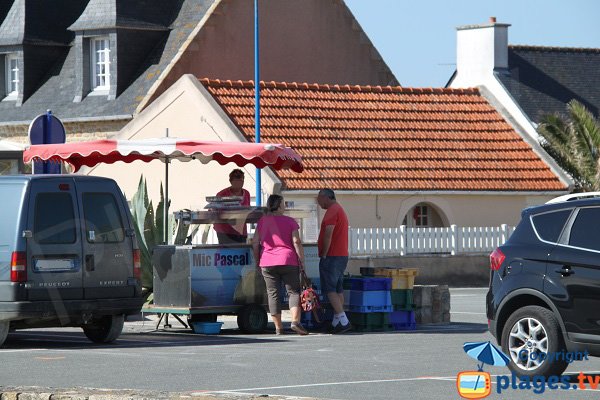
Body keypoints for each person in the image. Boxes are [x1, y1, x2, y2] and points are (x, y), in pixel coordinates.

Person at [252, 194, 308, 335]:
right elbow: (296, 242)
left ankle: (278, 328)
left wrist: (258, 260)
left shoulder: (262, 222)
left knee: (273, 294)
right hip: (288, 260)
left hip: (267, 262)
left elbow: (254, 243)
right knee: (293, 292)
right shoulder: (290, 221)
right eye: (284, 203)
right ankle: (295, 322)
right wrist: (302, 261)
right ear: (279, 205)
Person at [317, 188, 351, 334]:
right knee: (338, 289)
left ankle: (343, 320)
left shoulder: (332, 211)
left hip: (332, 256)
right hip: (341, 255)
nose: (318, 202)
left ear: (326, 197)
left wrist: (324, 253)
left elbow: (328, 234)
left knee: (330, 289)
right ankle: (336, 321)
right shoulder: (339, 209)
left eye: (319, 198)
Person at [214, 169, 251, 244]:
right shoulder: (222, 194)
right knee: (227, 254)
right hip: (225, 232)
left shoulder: (246, 193)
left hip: (241, 231)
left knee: (241, 254)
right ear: (231, 181)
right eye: (236, 180)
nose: (239, 183)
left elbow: (248, 210)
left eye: (241, 180)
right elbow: (215, 211)